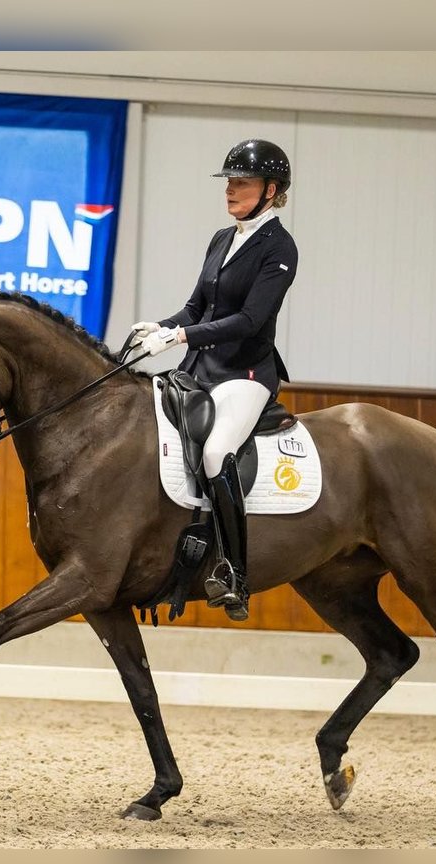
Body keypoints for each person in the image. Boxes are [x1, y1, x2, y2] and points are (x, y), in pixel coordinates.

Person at [132, 138, 297, 622]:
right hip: (200, 369)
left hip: (245, 372)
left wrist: (181, 336)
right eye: (228, 182)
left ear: (270, 190)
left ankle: (233, 572)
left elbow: (249, 320)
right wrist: (160, 328)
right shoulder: (222, 239)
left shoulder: (280, 248)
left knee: (215, 451)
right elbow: (196, 308)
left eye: (241, 183)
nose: (230, 190)